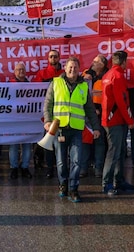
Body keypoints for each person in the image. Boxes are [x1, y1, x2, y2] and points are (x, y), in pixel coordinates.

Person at [43, 57, 101, 203]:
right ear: (65, 68)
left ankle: (74, 189)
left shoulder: (83, 86)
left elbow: (89, 109)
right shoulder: (56, 82)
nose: (72, 70)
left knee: (76, 161)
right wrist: (48, 121)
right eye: (70, 67)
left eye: (75, 67)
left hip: (76, 129)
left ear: (79, 69)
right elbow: (48, 104)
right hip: (59, 129)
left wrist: (96, 127)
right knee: (61, 161)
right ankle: (63, 185)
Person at [101, 50, 134, 196]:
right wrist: (130, 120)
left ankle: (119, 180)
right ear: (123, 62)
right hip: (115, 119)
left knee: (119, 151)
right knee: (114, 152)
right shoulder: (118, 76)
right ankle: (107, 184)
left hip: (111, 118)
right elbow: (122, 101)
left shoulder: (108, 75)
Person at [33, 49, 64, 178]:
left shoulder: (63, 74)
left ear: (58, 58)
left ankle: (61, 168)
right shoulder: (42, 73)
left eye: (55, 56)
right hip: (48, 115)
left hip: (62, 114)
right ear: (48, 59)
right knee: (49, 143)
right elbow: (33, 91)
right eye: (51, 56)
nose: (53, 59)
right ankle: (50, 167)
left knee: (61, 144)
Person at [81, 55, 109, 178]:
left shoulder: (107, 76)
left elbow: (109, 95)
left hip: (101, 113)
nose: (93, 62)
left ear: (102, 64)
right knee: (85, 141)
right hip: (86, 113)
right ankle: (83, 168)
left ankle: (98, 167)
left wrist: (100, 110)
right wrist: (83, 78)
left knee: (99, 141)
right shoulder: (86, 73)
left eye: (96, 61)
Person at [8, 62, 33, 179]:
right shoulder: (8, 85)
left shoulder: (31, 86)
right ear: (14, 72)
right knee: (13, 145)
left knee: (27, 145)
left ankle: (25, 167)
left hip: (27, 120)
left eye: (23, 69)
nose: (21, 71)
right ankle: (13, 168)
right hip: (13, 120)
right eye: (18, 69)